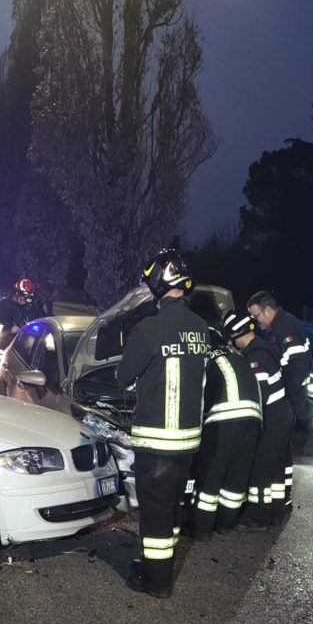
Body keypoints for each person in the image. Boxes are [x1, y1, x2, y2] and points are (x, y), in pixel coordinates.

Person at [116, 250, 209, 598]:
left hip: (156, 445)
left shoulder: (149, 329)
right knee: (170, 510)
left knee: (154, 516)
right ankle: (157, 564)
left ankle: (156, 581)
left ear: (157, 283)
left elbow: (124, 377)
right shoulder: (201, 328)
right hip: (188, 444)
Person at [187, 321, 262, 540]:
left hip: (224, 419)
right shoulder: (238, 357)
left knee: (210, 476)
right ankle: (224, 525)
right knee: (235, 479)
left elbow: (198, 393)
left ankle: (201, 530)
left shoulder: (207, 358)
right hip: (253, 421)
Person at [225, 309, 294, 531]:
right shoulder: (265, 348)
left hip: (272, 418)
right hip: (282, 414)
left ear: (238, 334)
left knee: (259, 469)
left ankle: (257, 518)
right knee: (274, 469)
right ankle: (274, 514)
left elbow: (258, 397)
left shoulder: (255, 359)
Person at [247, 290, 312, 519]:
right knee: (283, 451)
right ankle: (281, 500)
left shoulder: (285, 328)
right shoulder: (278, 326)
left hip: (290, 398)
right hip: (288, 398)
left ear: (267, 309)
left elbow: (297, 367)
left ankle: (279, 502)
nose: (258, 323)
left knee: (279, 451)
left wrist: (286, 403)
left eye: (257, 317)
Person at [0, 278, 40, 370]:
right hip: (2, 351)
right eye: (24, 296)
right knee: (1, 379)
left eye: (28, 297)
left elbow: (41, 322)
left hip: (22, 354)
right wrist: (9, 329)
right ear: (16, 293)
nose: (25, 300)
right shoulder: (3, 306)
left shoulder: (32, 308)